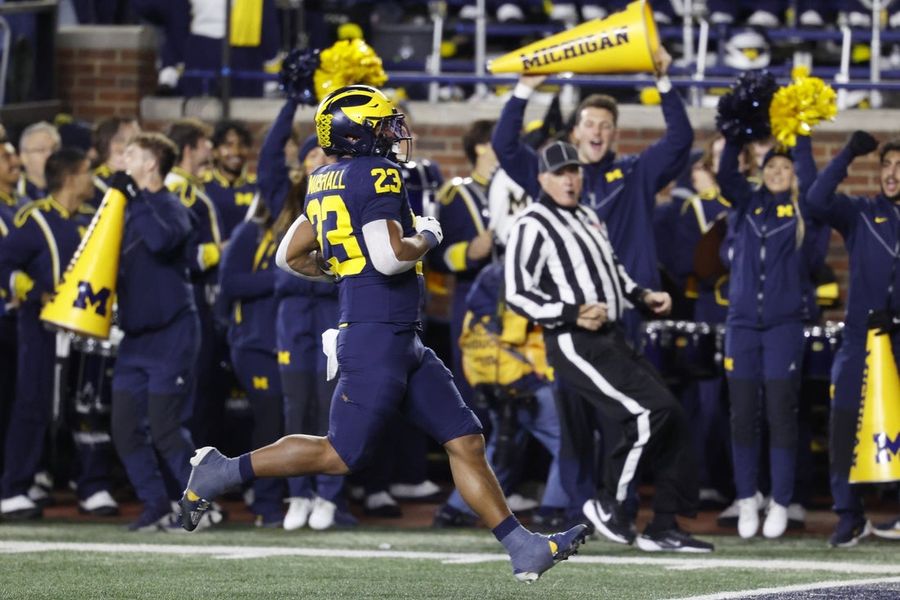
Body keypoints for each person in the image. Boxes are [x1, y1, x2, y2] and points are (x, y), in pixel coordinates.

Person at [179, 85, 587, 582]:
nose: (395, 133)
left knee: (466, 440)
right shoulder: (378, 174)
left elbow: (291, 254)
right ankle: (220, 470)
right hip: (377, 335)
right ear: (358, 134)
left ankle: (523, 547)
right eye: (383, 125)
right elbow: (391, 257)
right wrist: (429, 236)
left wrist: (343, 271)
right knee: (338, 454)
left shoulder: (324, 177)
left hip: (397, 334)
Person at [505, 140, 712, 553]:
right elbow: (517, 293)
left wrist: (642, 296)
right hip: (574, 341)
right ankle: (610, 505)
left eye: (574, 171)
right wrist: (572, 313)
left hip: (610, 336)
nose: (569, 178)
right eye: (560, 172)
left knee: (669, 412)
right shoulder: (531, 223)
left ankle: (663, 524)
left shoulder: (586, 214)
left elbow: (611, 270)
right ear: (543, 179)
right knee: (647, 412)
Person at [493, 46, 693, 350]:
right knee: (575, 395)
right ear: (575, 132)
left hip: (628, 308)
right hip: (573, 312)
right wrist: (525, 89)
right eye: (589, 124)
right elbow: (505, 146)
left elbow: (680, 140)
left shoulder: (635, 173)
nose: (597, 132)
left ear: (614, 134)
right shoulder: (550, 176)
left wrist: (663, 80)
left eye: (606, 125)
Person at [0, 148, 117, 519]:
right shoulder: (34, 220)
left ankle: (92, 483)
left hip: (89, 330)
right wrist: (32, 291)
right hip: (42, 329)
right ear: (69, 178)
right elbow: (4, 265)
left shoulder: (93, 219)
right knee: (34, 404)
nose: (92, 181)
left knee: (88, 407)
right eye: (86, 173)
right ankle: (15, 486)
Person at [256, 95, 353, 531]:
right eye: (312, 154)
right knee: (296, 407)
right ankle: (298, 493)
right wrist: (290, 105)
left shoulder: (348, 195)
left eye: (326, 154)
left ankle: (329, 496)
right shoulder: (287, 200)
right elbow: (267, 159)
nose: (319, 161)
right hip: (294, 318)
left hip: (334, 311)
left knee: (332, 408)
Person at [716, 133, 817, 540]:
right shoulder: (745, 205)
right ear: (760, 173)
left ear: (793, 175)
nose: (777, 172)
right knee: (742, 415)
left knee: (781, 413)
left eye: (785, 167)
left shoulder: (802, 208)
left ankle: (780, 499)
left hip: (784, 327)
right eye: (771, 167)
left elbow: (812, 181)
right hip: (741, 325)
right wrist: (737, 130)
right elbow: (725, 176)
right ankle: (746, 497)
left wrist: (804, 136)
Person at [806, 131, 900, 547]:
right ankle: (850, 514)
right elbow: (816, 200)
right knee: (844, 420)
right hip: (860, 340)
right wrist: (847, 153)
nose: (892, 175)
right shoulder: (861, 212)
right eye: (886, 166)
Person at [165, 119, 226, 449]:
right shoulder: (185, 195)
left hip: (176, 303)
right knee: (192, 393)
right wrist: (222, 252)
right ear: (188, 149)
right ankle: (190, 485)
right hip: (189, 301)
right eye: (205, 145)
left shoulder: (173, 188)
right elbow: (185, 257)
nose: (211, 152)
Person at [434, 120, 496, 417]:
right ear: (481, 147)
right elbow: (436, 256)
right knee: (474, 385)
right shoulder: (456, 194)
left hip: (516, 299)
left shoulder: (519, 190)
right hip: (472, 297)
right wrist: (469, 252)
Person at [204, 120, 258, 240]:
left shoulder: (258, 188)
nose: (236, 151)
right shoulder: (202, 188)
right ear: (215, 151)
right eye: (228, 145)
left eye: (242, 145)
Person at [90, 116, 141, 207]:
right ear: (105, 143)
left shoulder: (139, 179)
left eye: (137, 140)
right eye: (120, 140)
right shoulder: (96, 185)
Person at [17, 121, 61, 201]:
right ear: (24, 157)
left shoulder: (72, 189)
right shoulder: (13, 194)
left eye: (54, 149)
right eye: (41, 150)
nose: (49, 155)